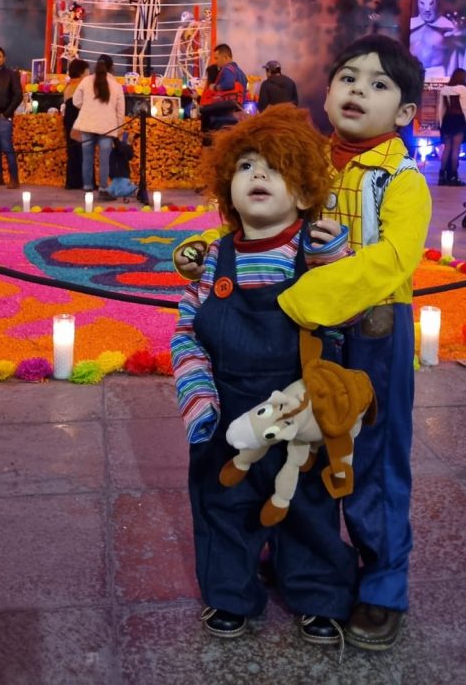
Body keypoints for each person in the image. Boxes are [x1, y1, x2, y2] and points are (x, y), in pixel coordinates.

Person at [175, 34, 432, 652]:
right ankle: (297, 559)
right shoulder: (311, 155)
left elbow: (395, 260)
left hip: (370, 333)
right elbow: (257, 216)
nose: (358, 91)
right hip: (300, 338)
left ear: (404, 112)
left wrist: (306, 297)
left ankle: (382, 588)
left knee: (371, 462)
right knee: (305, 454)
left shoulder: (400, 180)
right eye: (348, 78)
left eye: (378, 85)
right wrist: (210, 254)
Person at [171, 104, 362, 647]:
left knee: (309, 505)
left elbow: (348, 318)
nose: (258, 174)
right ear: (226, 189)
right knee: (222, 504)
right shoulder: (214, 259)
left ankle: (318, 593)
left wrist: (338, 263)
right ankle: (229, 593)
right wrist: (197, 394)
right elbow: (186, 330)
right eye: (246, 165)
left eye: (275, 167)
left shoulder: (316, 253)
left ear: (303, 194)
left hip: (300, 409)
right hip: (227, 407)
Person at [72, 54, 125, 197]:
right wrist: (119, 128)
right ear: (111, 68)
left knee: (87, 158)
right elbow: (120, 112)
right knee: (104, 160)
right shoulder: (117, 86)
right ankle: (103, 189)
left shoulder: (86, 81)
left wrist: (87, 107)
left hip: (87, 124)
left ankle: (87, 188)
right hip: (107, 127)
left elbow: (76, 101)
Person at [409, 0, 465, 78]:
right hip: (413, 74)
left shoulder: (448, 26)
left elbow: (458, 53)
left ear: (437, 1)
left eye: (431, 3)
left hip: (439, 75)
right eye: (422, 3)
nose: (427, 9)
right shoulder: (412, 24)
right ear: (417, 2)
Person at [198, 44, 248, 133]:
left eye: (217, 58)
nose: (216, 62)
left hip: (226, 110)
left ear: (225, 57)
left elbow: (228, 84)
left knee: (203, 110)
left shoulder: (227, 69)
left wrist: (215, 87)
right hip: (238, 111)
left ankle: (205, 137)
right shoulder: (241, 73)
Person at [0, 45, 23, 188]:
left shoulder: (11, 74)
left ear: (4, 59)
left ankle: (14, 179)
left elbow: (18, 95)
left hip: (2, 118)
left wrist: (6, 114)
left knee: (7, 148)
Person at [63, 58, 89, 189]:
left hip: (69, 119)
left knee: (73, 150)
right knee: (83, 150)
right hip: (80, 118)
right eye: (87, 70)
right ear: (81, 72)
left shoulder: (69, 85)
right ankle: (84, 181)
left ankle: (72, 181)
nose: (89, 73)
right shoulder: (83, 85)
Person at [437, 67, 466, 186]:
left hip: (447, 120)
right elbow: (465, 107)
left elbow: (441, 108)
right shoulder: (463, 89)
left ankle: (442, 176)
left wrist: (440, 123)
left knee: (447, 149)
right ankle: (453, 176)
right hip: (459, 120)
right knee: (456, 149)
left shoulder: (444, 90)